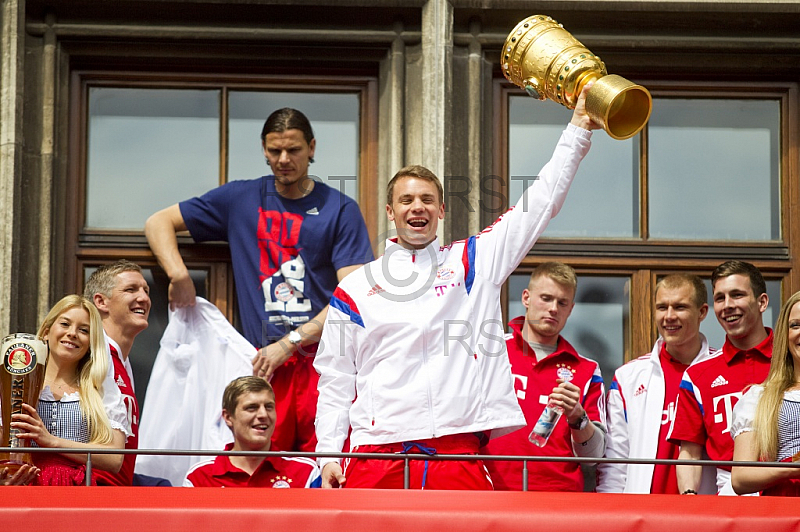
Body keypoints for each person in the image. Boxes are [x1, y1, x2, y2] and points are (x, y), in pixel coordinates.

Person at [314, 85, 600, 490]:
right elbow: (335, 376)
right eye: (407, 200)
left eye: (428, 199)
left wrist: (578, 129)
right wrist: (327, 454)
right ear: (391, 211)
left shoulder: (472, 261)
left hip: (457, 453)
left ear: (442, 211)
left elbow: (538, 205)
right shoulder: (358, 286)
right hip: (377, 456)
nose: (418, 207)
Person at [145, 108, 373, 453]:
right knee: (259, 468)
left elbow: (354, 297)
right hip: (259, 366)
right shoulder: (240, 199)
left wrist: (291, 342)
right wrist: (178, 274)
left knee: (327, 464)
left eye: (294, 150)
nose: (284, 159)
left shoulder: (339, 208)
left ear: (311, 148)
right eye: (274, 150)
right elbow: (158, 222)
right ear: (264, 150)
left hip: (324, 363)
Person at [480, 262, 606, 491]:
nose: (554, 308)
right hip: (489, 492)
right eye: (546, 298)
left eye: (562, 302)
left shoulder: (587, 369)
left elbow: (594, 456)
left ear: (571, 309)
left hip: (558, 501)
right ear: (526, 298)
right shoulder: (490, 351)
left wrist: (577, 416)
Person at [597, 274, 717, 494]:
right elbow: (614, 463)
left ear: (702, 312)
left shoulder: (722, 373)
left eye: (680, 307)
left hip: (705, 517)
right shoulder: (628, 377)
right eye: (662, 307)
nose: (669, 316)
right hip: (642, 518)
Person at [669, 260, 773, 495]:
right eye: (720, 298)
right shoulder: (697, 375)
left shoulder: (791, 360)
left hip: (789, 491)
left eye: (737, 295)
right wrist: (689, 499)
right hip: (730, 499)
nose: (727, 305)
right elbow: (689, 452)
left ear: (762, 302)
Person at [10, 295, 128, 485]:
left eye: (84, 330)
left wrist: (52, 442)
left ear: (91, 343)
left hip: (76, 495)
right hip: (24, 489)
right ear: (47, 332)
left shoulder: (101, 390)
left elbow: (114, 460)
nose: (72, 333)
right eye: (65, 324)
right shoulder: (16, 383)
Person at [183, 376, 320, 488]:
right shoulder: (199, 478)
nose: (263, 414)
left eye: (269, 407)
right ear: (228, 417)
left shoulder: (305, 472)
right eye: (251, 408)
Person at [84, 260, 151, 486]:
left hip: (116, 494)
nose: (144, 298)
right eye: (131, 289)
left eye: (145, 290)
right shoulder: (87, 354)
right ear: (101, 302)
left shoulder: (122, 360)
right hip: (87, 492)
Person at [731, 290, 800, 496]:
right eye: (796, 325)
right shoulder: (760, 397)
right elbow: (741, 478)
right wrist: (793, 467)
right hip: (788, 508)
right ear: (785, 336)